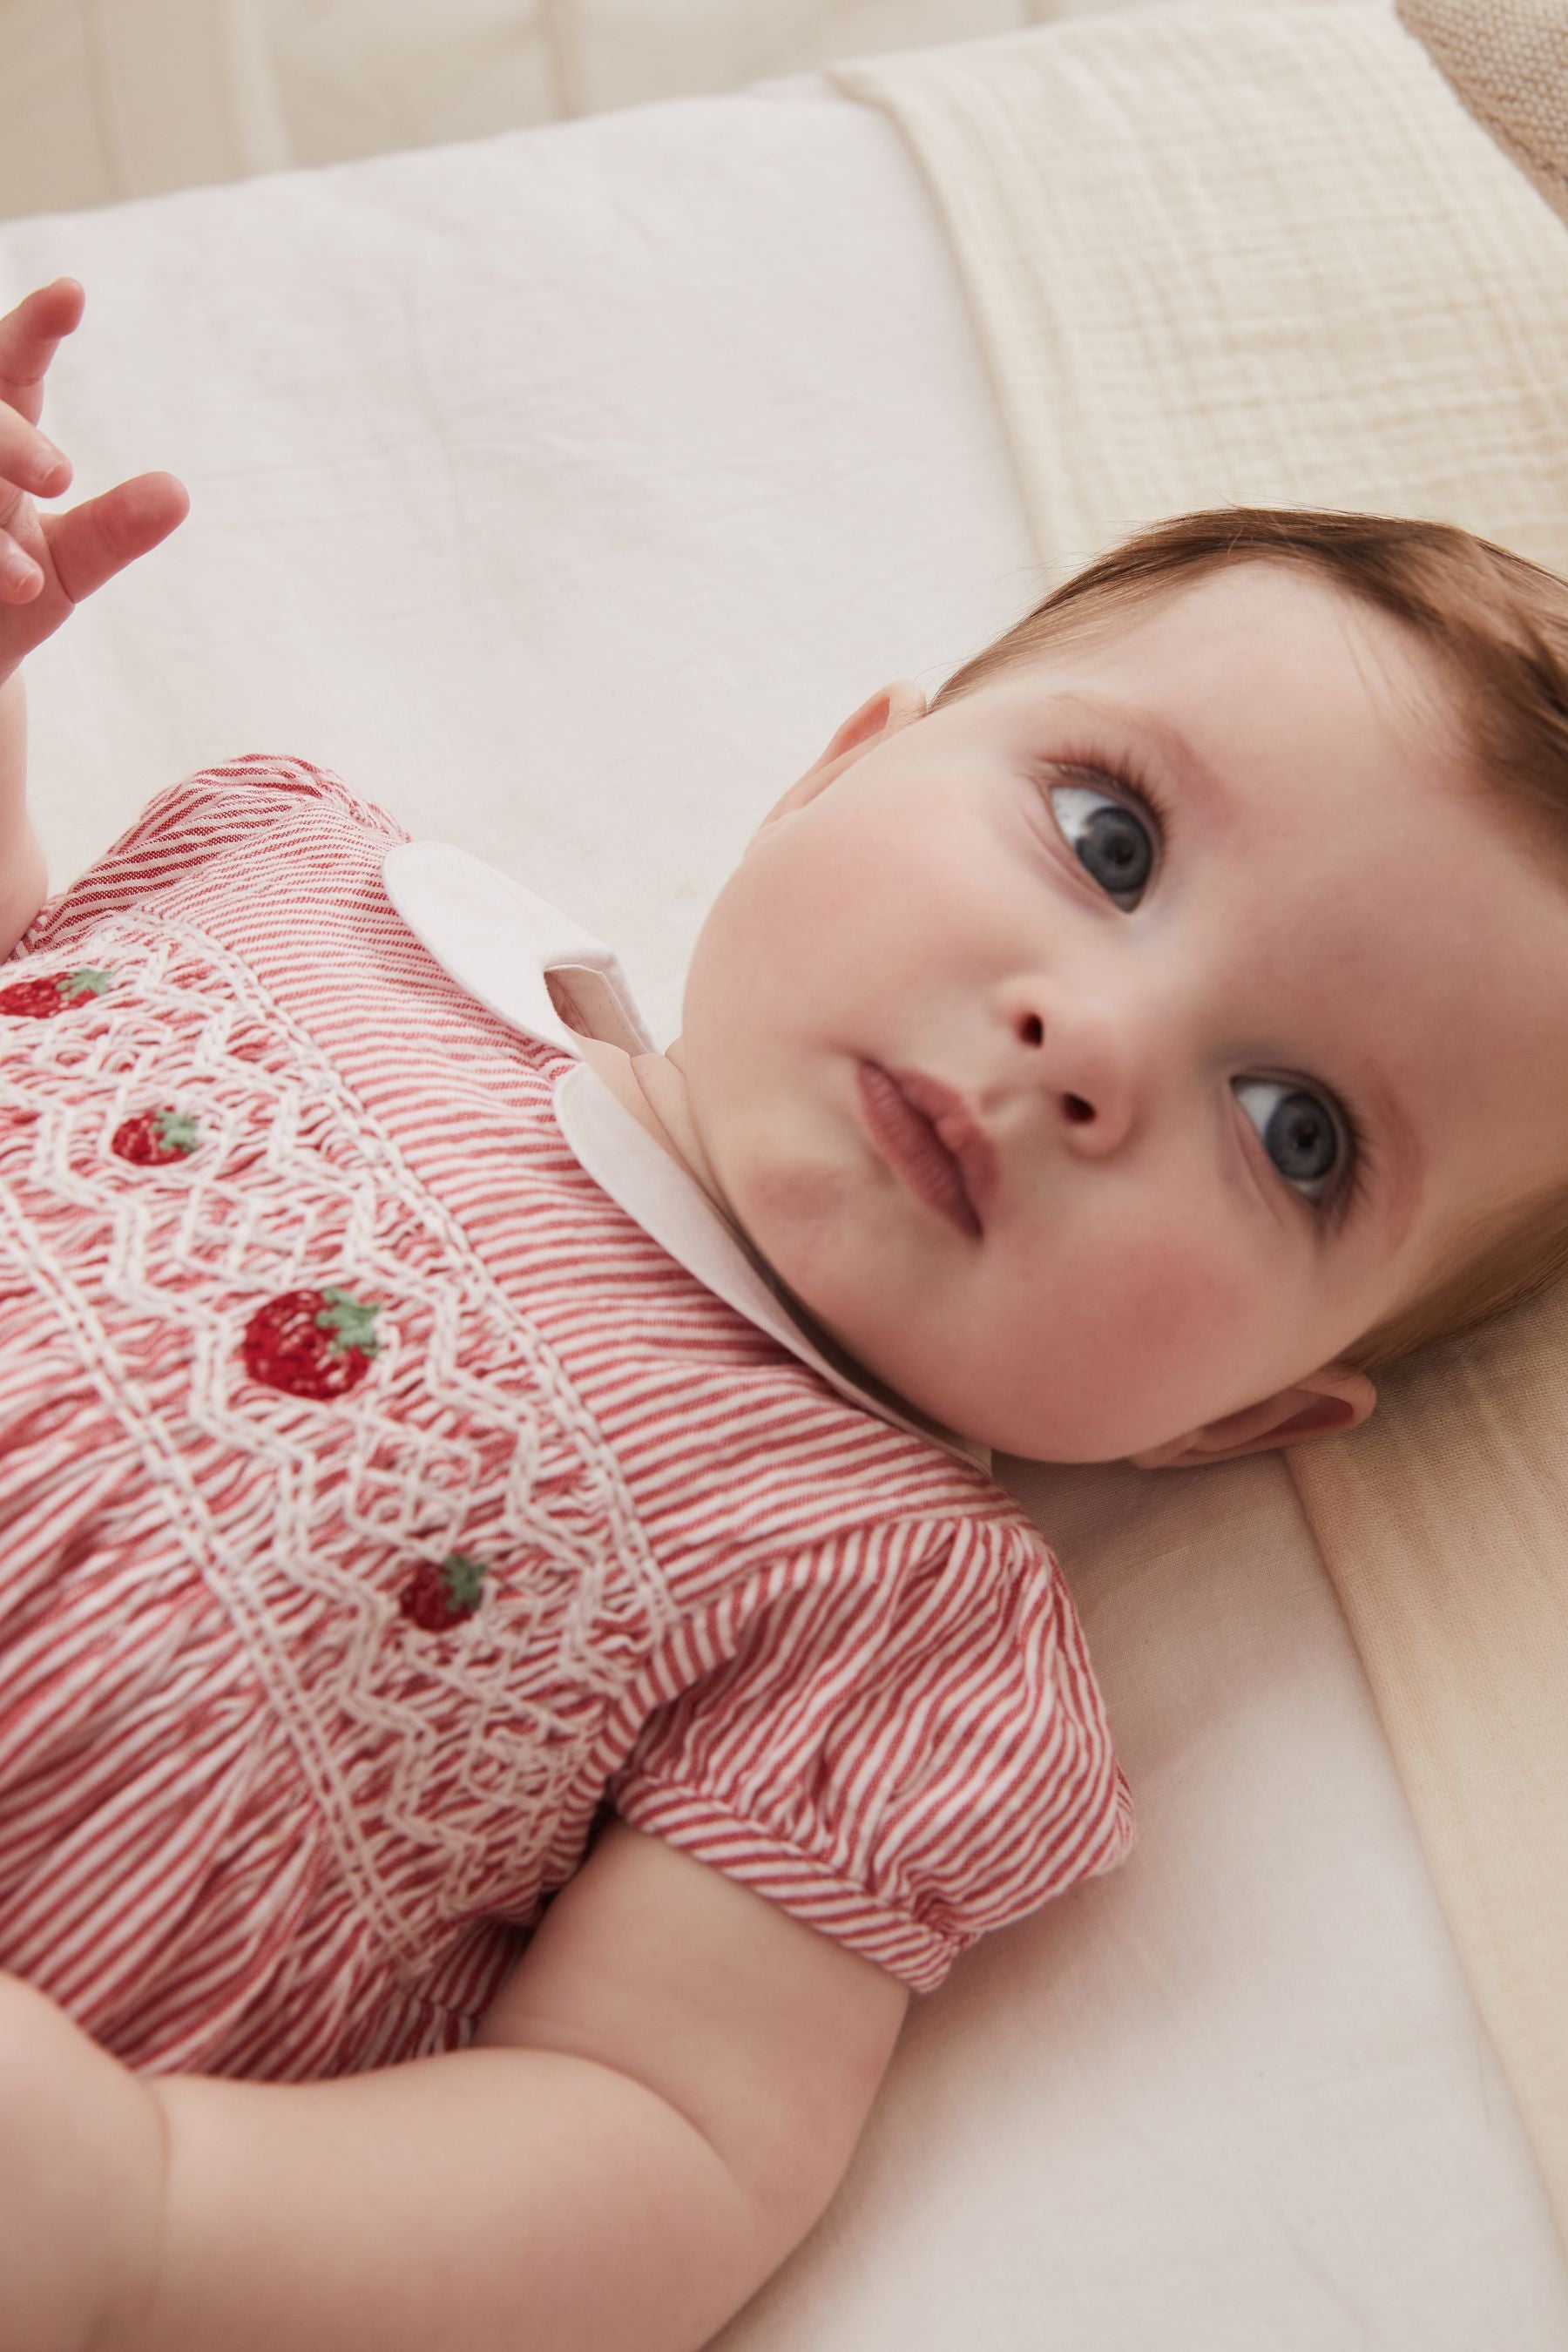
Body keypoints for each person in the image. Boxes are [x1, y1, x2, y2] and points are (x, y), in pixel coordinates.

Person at [3, 273, 1568, 2352]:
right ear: (840, 766)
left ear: (1244, 1417)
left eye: (1293, 1133)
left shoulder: (894, 1612)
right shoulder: (311, 882)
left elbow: (653, 2134)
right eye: (1110, 838)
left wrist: (152, 2218)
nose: (1088, 1041)